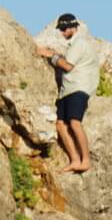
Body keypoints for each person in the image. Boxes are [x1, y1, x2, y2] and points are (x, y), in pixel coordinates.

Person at [34, 13, 103, 173]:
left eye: (64, 29)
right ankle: (75, 160)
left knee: (74, 122)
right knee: (60, 125)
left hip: (79, 88)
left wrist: (51, 55)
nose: (62, 32)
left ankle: (85, 161)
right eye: (61, 29)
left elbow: (67, 66)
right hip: (67, 90)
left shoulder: (79, 43)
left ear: (73, 27)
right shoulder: (73, 45)